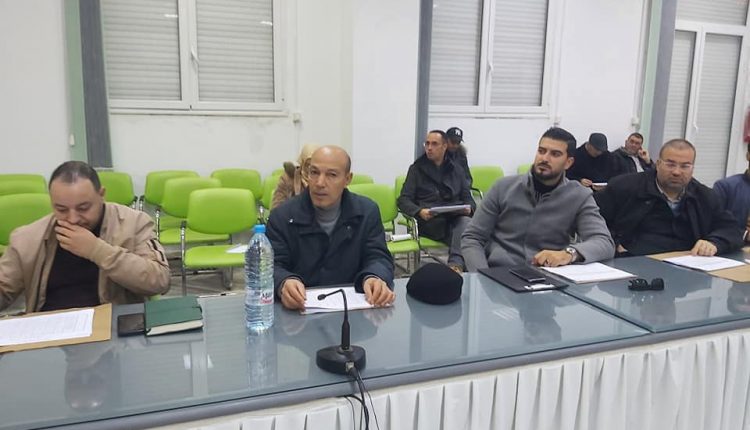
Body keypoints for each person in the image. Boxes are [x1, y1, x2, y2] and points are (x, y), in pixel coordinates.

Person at [0, 161, 170, 312]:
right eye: (61, 210)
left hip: (112, 325)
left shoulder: (134, 223)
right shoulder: (28, 238)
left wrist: (97, 250)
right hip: (50, 326)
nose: (73, 219)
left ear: (101, 195)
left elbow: (160, 280)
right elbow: (4, 288)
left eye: (83, 208)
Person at [461, 127, 615, 271]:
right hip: (500, 272)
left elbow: (604, 242)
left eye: (555, 154)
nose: (545, 158)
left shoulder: (579, 196)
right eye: (541, 151)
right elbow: (473, 237)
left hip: (549, 275)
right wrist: (481, 276)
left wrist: (569, 254)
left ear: (568, 163)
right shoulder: (503, 187)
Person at [266, 146, 395, 311]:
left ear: (347, 179)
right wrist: (283, 282)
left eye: (331, 175)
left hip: (354, 311)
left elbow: (378, 257)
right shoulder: (282, 216)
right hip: (298, 311)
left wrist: (374, 277)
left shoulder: (367, 212)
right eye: (314, 173)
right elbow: (271, 266)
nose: (320, 183)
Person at [594, 139, 743, 256]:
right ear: (658, 164)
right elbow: (592, 220)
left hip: (687, 267)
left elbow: (732, 229)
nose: (677, 172)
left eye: (685, 166)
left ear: (692, 169)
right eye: (670, 164)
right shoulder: (624, 187)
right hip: (631, 263)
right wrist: (615, 244)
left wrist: (714, 243)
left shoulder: (704, 196)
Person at [398, 130, 476, 272]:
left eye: (434, 144)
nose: (429, 148)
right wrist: (419, 211)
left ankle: (457, 266)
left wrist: (469, 208)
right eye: (427, 144)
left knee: (468, 227)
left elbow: (468, 198)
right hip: (430, 222)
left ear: (444, 146)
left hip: (454, 219)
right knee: (468, 239)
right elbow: (403, 200)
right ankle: (457, 267)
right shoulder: (416, 169)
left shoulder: (456, 169)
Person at [713, 145, 750, 244]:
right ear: (748, 156)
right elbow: (713, 223)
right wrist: (745, 235)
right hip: (734, 247)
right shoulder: (725, 187)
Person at [271, 143, 320, 209]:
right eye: (308, 164)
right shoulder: (288, 178)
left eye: (314, 165)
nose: (310, 168)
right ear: (302, 162)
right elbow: (277, 207)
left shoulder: (324, 180)